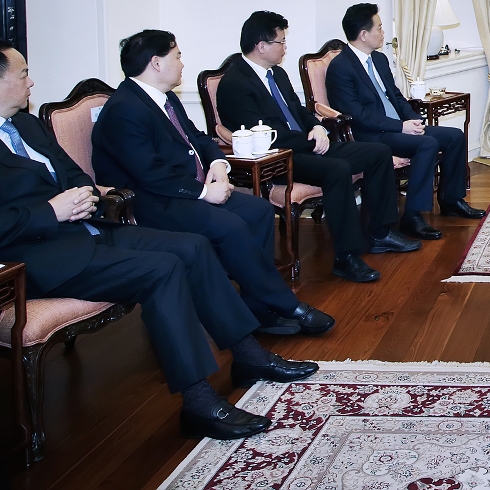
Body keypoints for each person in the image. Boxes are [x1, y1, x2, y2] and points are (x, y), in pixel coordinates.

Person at [0, 41, 317, 441]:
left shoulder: (26, 125)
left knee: (194, 247)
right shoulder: (122, 110)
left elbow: (73, 172)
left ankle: (248, 356)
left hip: (89, 229)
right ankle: (199, 403)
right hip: (41, 255)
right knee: (164, 267)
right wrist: (53, 212)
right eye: (23, 73)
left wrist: (83, 195)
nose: (32, 81)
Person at [92, 30, 336, 336]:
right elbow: (149, 173)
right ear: (156, 63)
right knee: (230, 226)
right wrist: (205, 192)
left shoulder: (163, 98)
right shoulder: (125, 109)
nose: (182, 63)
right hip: (153, 200)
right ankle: (285, 304)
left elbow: (198, 139)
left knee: (259, 211)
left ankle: (257, 309)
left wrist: (219, 164)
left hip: (184, 190)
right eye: (177, 56)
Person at [216, 11, 418, 284]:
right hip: (280, 158)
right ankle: (346, 258)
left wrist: (318, 127)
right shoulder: (235, 84)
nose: (285, 47)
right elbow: (262, 136)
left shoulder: (276, 74)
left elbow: (299, 110)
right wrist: (311, 139)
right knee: (337, 169)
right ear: (261, 46)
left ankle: (379, 233)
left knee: (376, 152)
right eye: (281, 42)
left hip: (307, 145)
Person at [326, 3, 483, 238]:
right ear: (363, 34)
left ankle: (451, 200)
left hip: (398, 128)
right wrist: (400, 126)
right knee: (427, 144)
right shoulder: (340, 67)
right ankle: (412, 216)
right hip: (372, 135)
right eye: (379, 28)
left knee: (454, 136)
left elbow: (396, 97)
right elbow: (357, 115)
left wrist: (413, 120)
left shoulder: (378, 60)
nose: (383, 33)